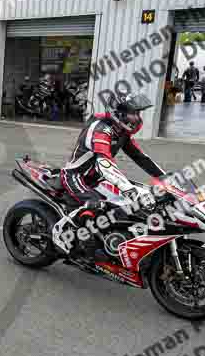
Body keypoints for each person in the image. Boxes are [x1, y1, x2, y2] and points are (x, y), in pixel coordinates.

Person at [58, 92, 165, 259]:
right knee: (96, 206)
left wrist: (166, 178)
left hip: (97, 178)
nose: (136, 118)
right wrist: (129, 189)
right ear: (119, 112)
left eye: (137, 113)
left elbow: (140, 157)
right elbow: (104, 164)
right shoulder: (100, 129)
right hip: (76, 176)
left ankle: (116, 240)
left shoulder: (121, 131)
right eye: (133, 113)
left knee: (126, 206)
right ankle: (82, 247)